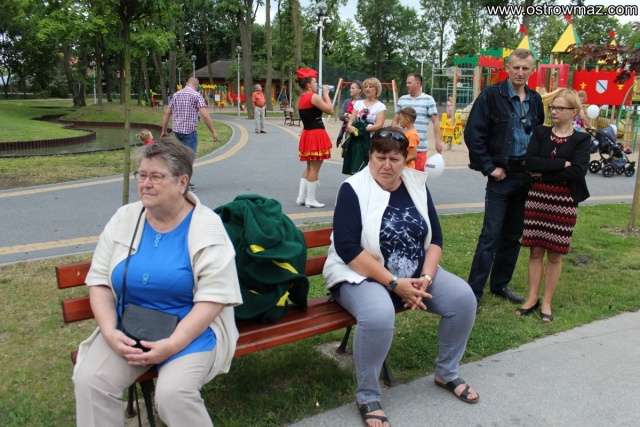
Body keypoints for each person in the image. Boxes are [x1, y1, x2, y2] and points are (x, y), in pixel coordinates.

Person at [72, 139, 242, 426]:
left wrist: (173, 344)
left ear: (182, 182)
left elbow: (213, 298)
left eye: (156, 176)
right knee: (91, 380)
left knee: (173, 394)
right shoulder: (125, 218)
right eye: (141, 175)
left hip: (190, 333)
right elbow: (99, 281)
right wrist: (110, 331)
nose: (145, 184)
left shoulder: (206, 226)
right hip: (129, 328)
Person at [323, 126, 479, 427]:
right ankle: (368, 395)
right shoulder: (353, 189)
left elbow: (436, 240)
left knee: (463, 299)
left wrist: (426, 279)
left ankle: (446, 373)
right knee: (379, 315)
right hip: (360, 274)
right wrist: (395, 284)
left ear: (405, 160)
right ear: (370, 156)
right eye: (380, 157)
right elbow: (347, 248)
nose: (386, 165)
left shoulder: (415, 185)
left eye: (394, 159)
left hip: (415, 273)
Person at [465, 48, 546, 311]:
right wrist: (490, 168)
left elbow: (539, 134)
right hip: (502, 175)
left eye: (525, 68)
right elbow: (473, 134)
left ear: (532, 70)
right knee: (490, 235)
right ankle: (473, 293)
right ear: (507, 68)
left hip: (527, 175)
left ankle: (500, 284)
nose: (520, 72)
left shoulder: (535, 100)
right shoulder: (491, 96)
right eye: (516, 67)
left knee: (513, 235)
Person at [517, 89, 591, 322]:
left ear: (574, 112)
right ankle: (532, 298)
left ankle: (546, 301)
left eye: (560, 108)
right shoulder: (541, 133)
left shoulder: (581, 140)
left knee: (555, 254)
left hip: (564, 203)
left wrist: (544, 171)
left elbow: (577, 172)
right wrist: (562, 164)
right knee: (535, 250)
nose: (554, 112)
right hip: (537, 200)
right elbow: (530, 162)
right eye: (553, 107)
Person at [161, 77, 219, 192]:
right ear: (197, 85)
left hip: (177, 131)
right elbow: (205, 115)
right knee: (188, 159)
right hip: (189, 132)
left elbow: (167, 113)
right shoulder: (197, 95)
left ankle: (182, 180)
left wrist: (164, 130)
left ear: (187, 83)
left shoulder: (176, 95)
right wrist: (213, 131)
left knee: (180, 156)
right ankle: (183, 184)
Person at [294, 68, 334, 208]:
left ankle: (301, 197)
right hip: (316, 134)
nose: (317, 84)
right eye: (315, 82)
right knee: (314, 169)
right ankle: (310, 199)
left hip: (308, 133)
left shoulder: (303, 97)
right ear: (308, 84)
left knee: (309, 167)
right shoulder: (313, 96)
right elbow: (330, 110)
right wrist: (326, 94)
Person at [391, 73, 443, 172]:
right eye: (406, 83)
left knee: (418, 178)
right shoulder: (402, 99)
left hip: (420, 148)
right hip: (403, 148)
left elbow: (436, 122)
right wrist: (394, 135)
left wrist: (437, 142)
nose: (407, 85)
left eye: (409, 83)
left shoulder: (428, 100)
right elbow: (395, 120)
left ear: (418, 83)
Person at [336, 80, 363, 147]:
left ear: (359, 90)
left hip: (357, 132)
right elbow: (341, 116)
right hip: (346, 131)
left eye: (352, 88)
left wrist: (347, 114)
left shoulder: (363, 103)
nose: (350, 90)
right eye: (350, 88)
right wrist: (349, 116)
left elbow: (360, 118)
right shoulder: (347, 101)